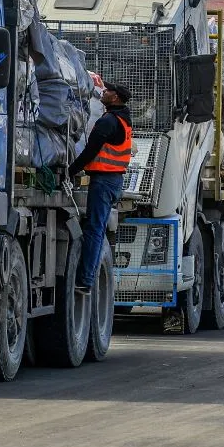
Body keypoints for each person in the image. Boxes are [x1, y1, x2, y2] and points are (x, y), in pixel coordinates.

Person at [68, 83, 133, 292]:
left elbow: (89, 151)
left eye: (108, 91)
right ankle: (87, 277)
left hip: (104, 181)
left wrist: (69, 171)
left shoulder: (108, 122)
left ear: (115, 97)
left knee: (94, 229)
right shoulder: (123, 120)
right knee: (96, 227)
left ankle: (86, 281)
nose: (103, 92)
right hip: (113, 181)